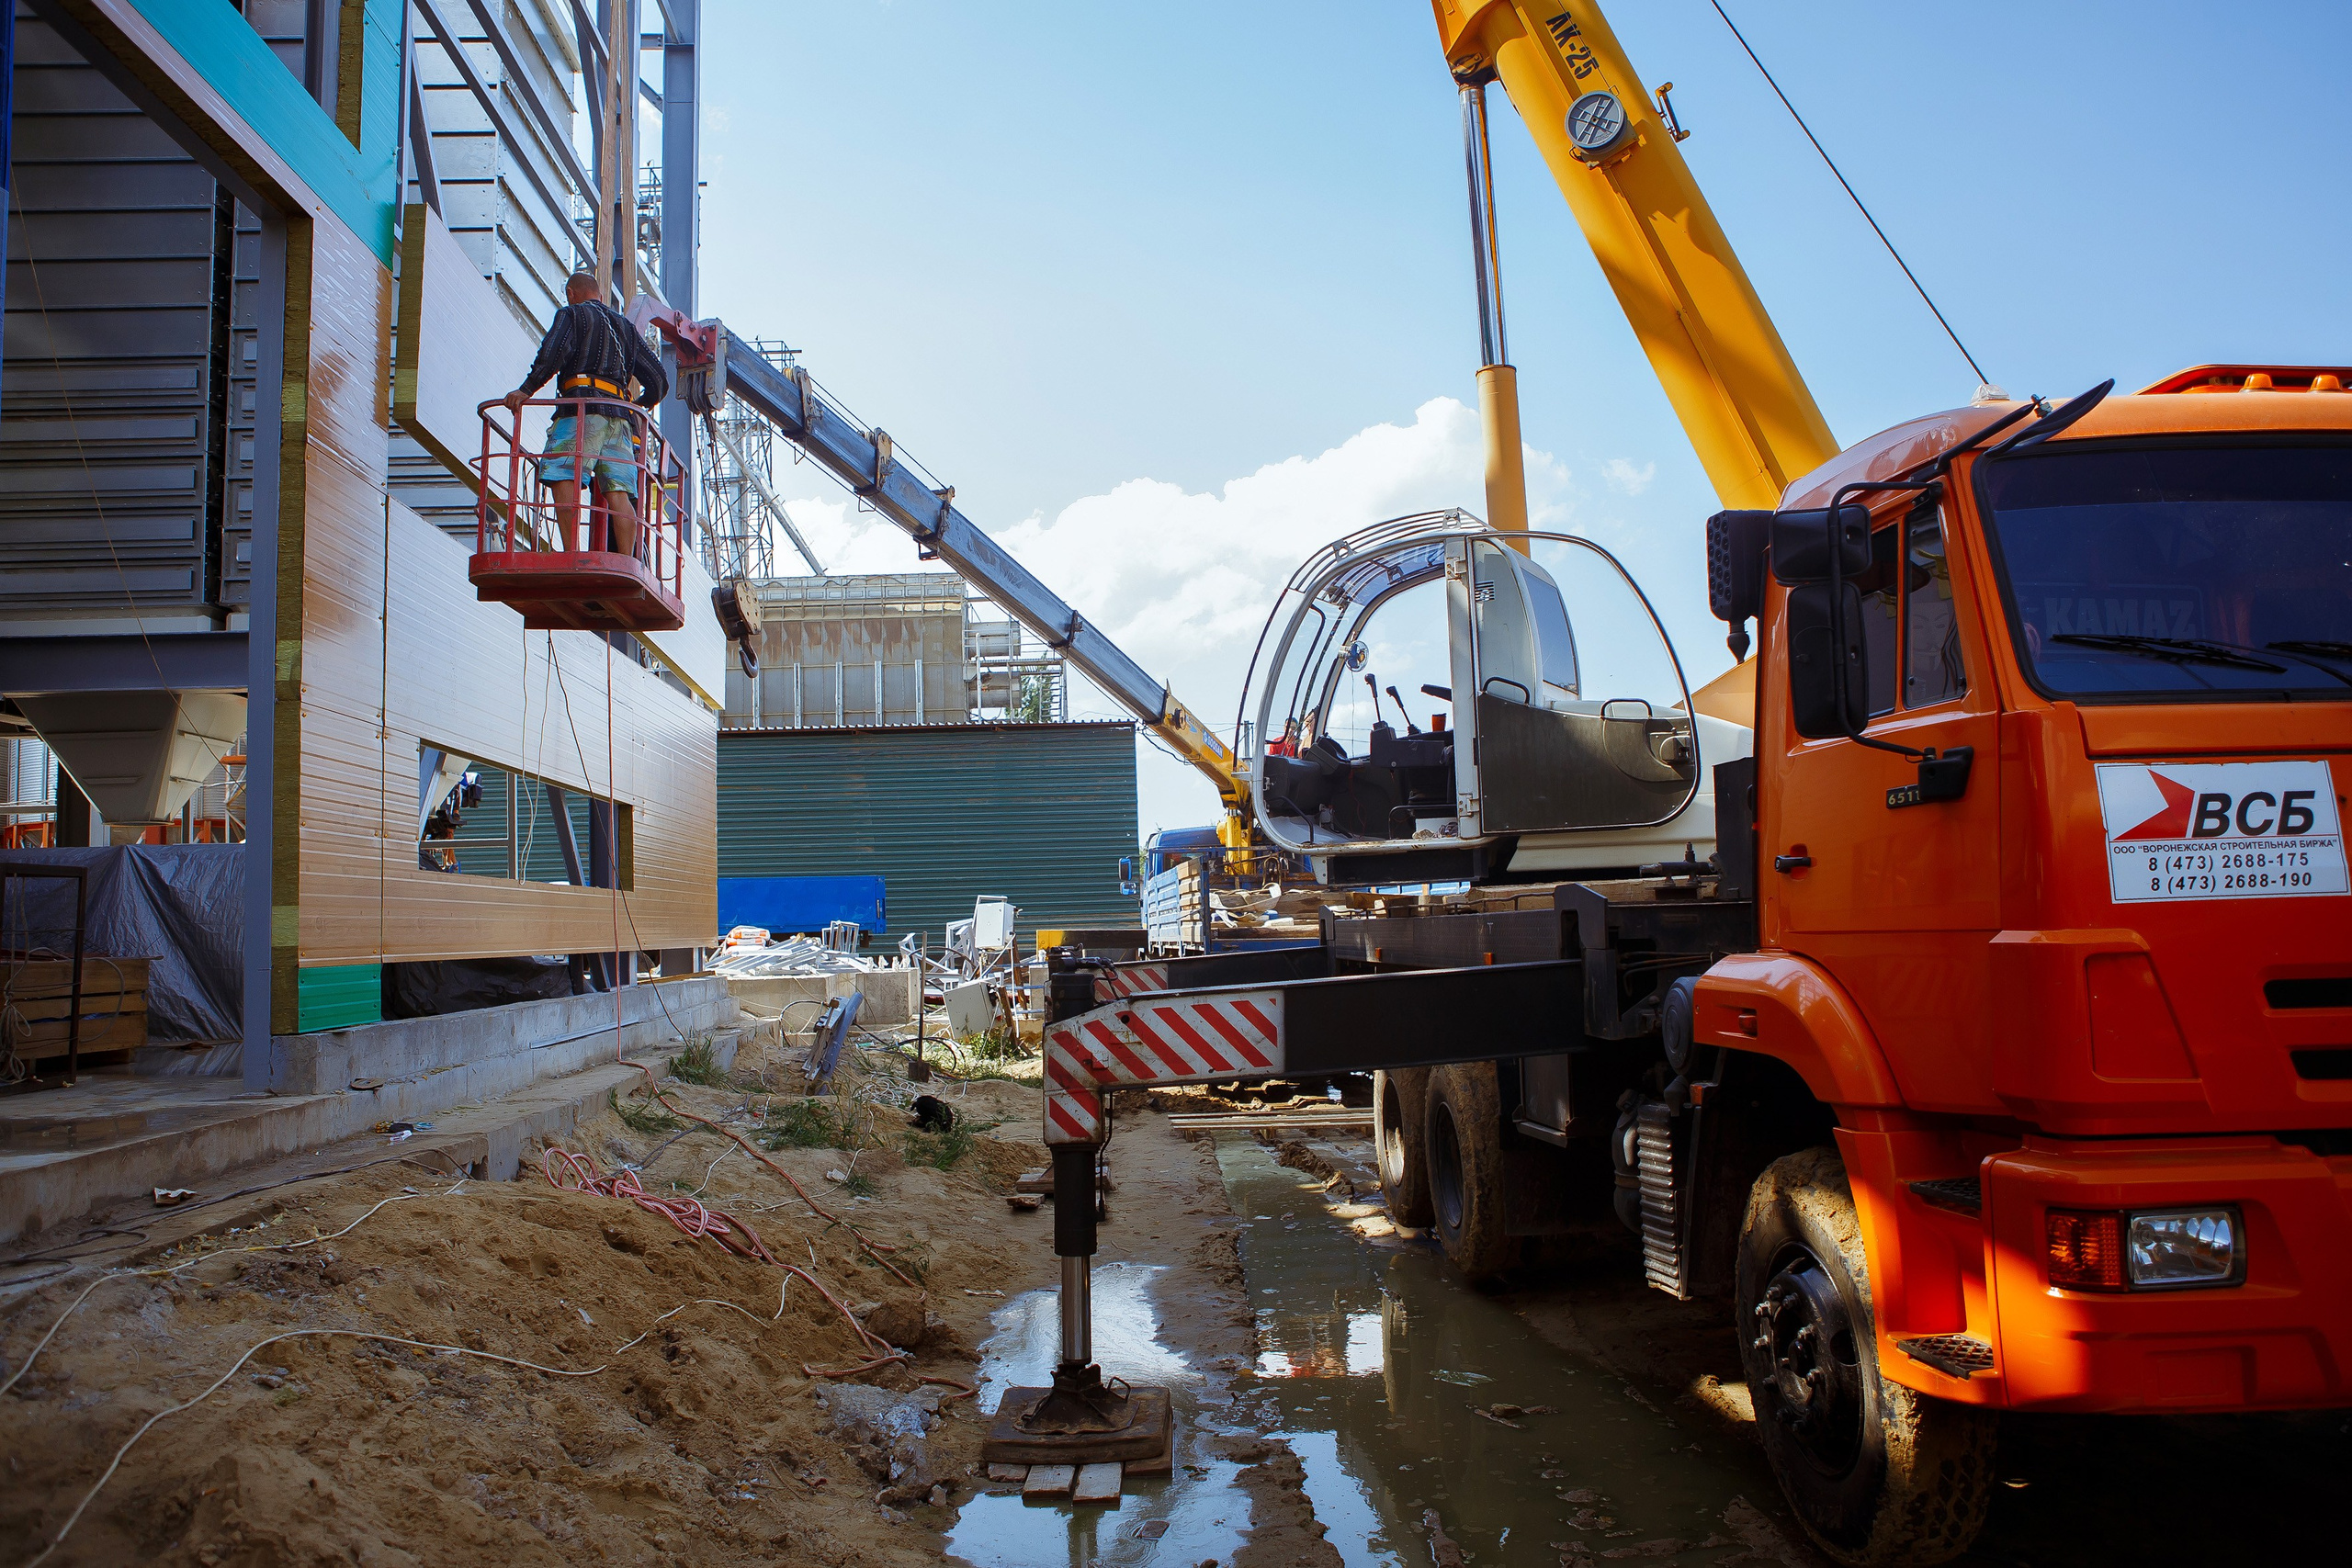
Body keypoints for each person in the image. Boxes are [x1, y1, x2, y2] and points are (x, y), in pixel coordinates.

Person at [503, 271, 670, 557]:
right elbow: (658, 378)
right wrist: (641, 404)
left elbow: (552, 354)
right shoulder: (625, 327)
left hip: (582, 412)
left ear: (571, 293)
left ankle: (571, 554)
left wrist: (526, 390)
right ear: (601, 297)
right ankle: (627, 560)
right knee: (619, 491)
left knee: (563, 473)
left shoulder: (572, 314)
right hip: (621, 420)